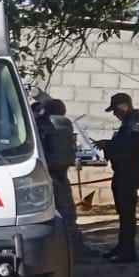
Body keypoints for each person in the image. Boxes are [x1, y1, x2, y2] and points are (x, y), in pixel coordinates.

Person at [93, 92, 139, 263]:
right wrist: (108, 145)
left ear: (124, 106)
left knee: (127, 214)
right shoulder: (128, 122)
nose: (115, 114)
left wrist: (109, 144)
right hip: (122, 172)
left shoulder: (137, 121)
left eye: (115, 110)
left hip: (129, 172)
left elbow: (131, 145)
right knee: (123, 213)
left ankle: (127, 251)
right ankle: (121, 247)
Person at [37, 97, 95, 259]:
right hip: (62, 173)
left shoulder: (41, 124)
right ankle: (75, 247)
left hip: (45, 172)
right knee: (68, 213)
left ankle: (54, 251)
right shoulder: (65, 123)